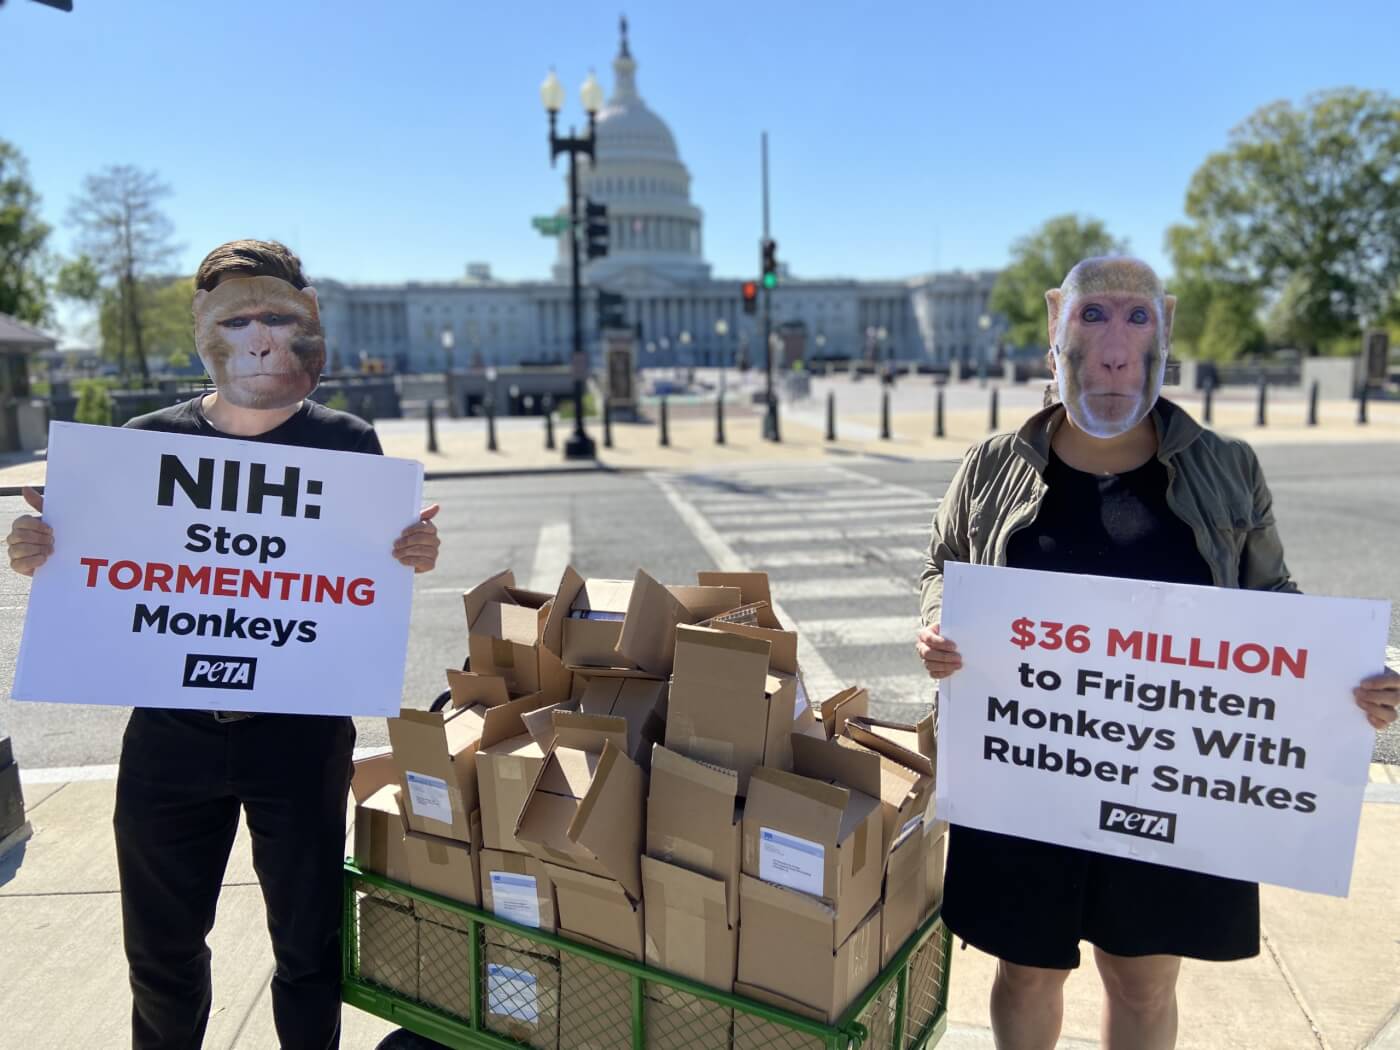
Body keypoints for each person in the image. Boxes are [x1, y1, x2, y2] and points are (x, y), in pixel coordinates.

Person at [913, 256, 1399, 1050]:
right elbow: (940, 565)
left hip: (1169, 776)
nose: (1114, 347)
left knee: (1143, 979)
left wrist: (1355, 671)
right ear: (1054, 325)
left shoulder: (1225, 467)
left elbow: (1273, 600)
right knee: (1027, 970)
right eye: (1093, 315)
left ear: (1166, 328)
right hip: (1027, 770)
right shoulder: (994, 466)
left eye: (1137, 318)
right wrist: (936, 626)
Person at [5, 239, 442, 1050]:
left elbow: (362, 570)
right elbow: (103, 570)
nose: (258, 334)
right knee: (161, 956)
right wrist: (38, 548)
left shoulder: (347, 444)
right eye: (237, 317)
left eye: (275, 314)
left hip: (300, 737)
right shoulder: (142, 443)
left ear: (304, 320)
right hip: (171, 739)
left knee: (308, 952)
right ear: (206, 331)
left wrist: (410, 552)